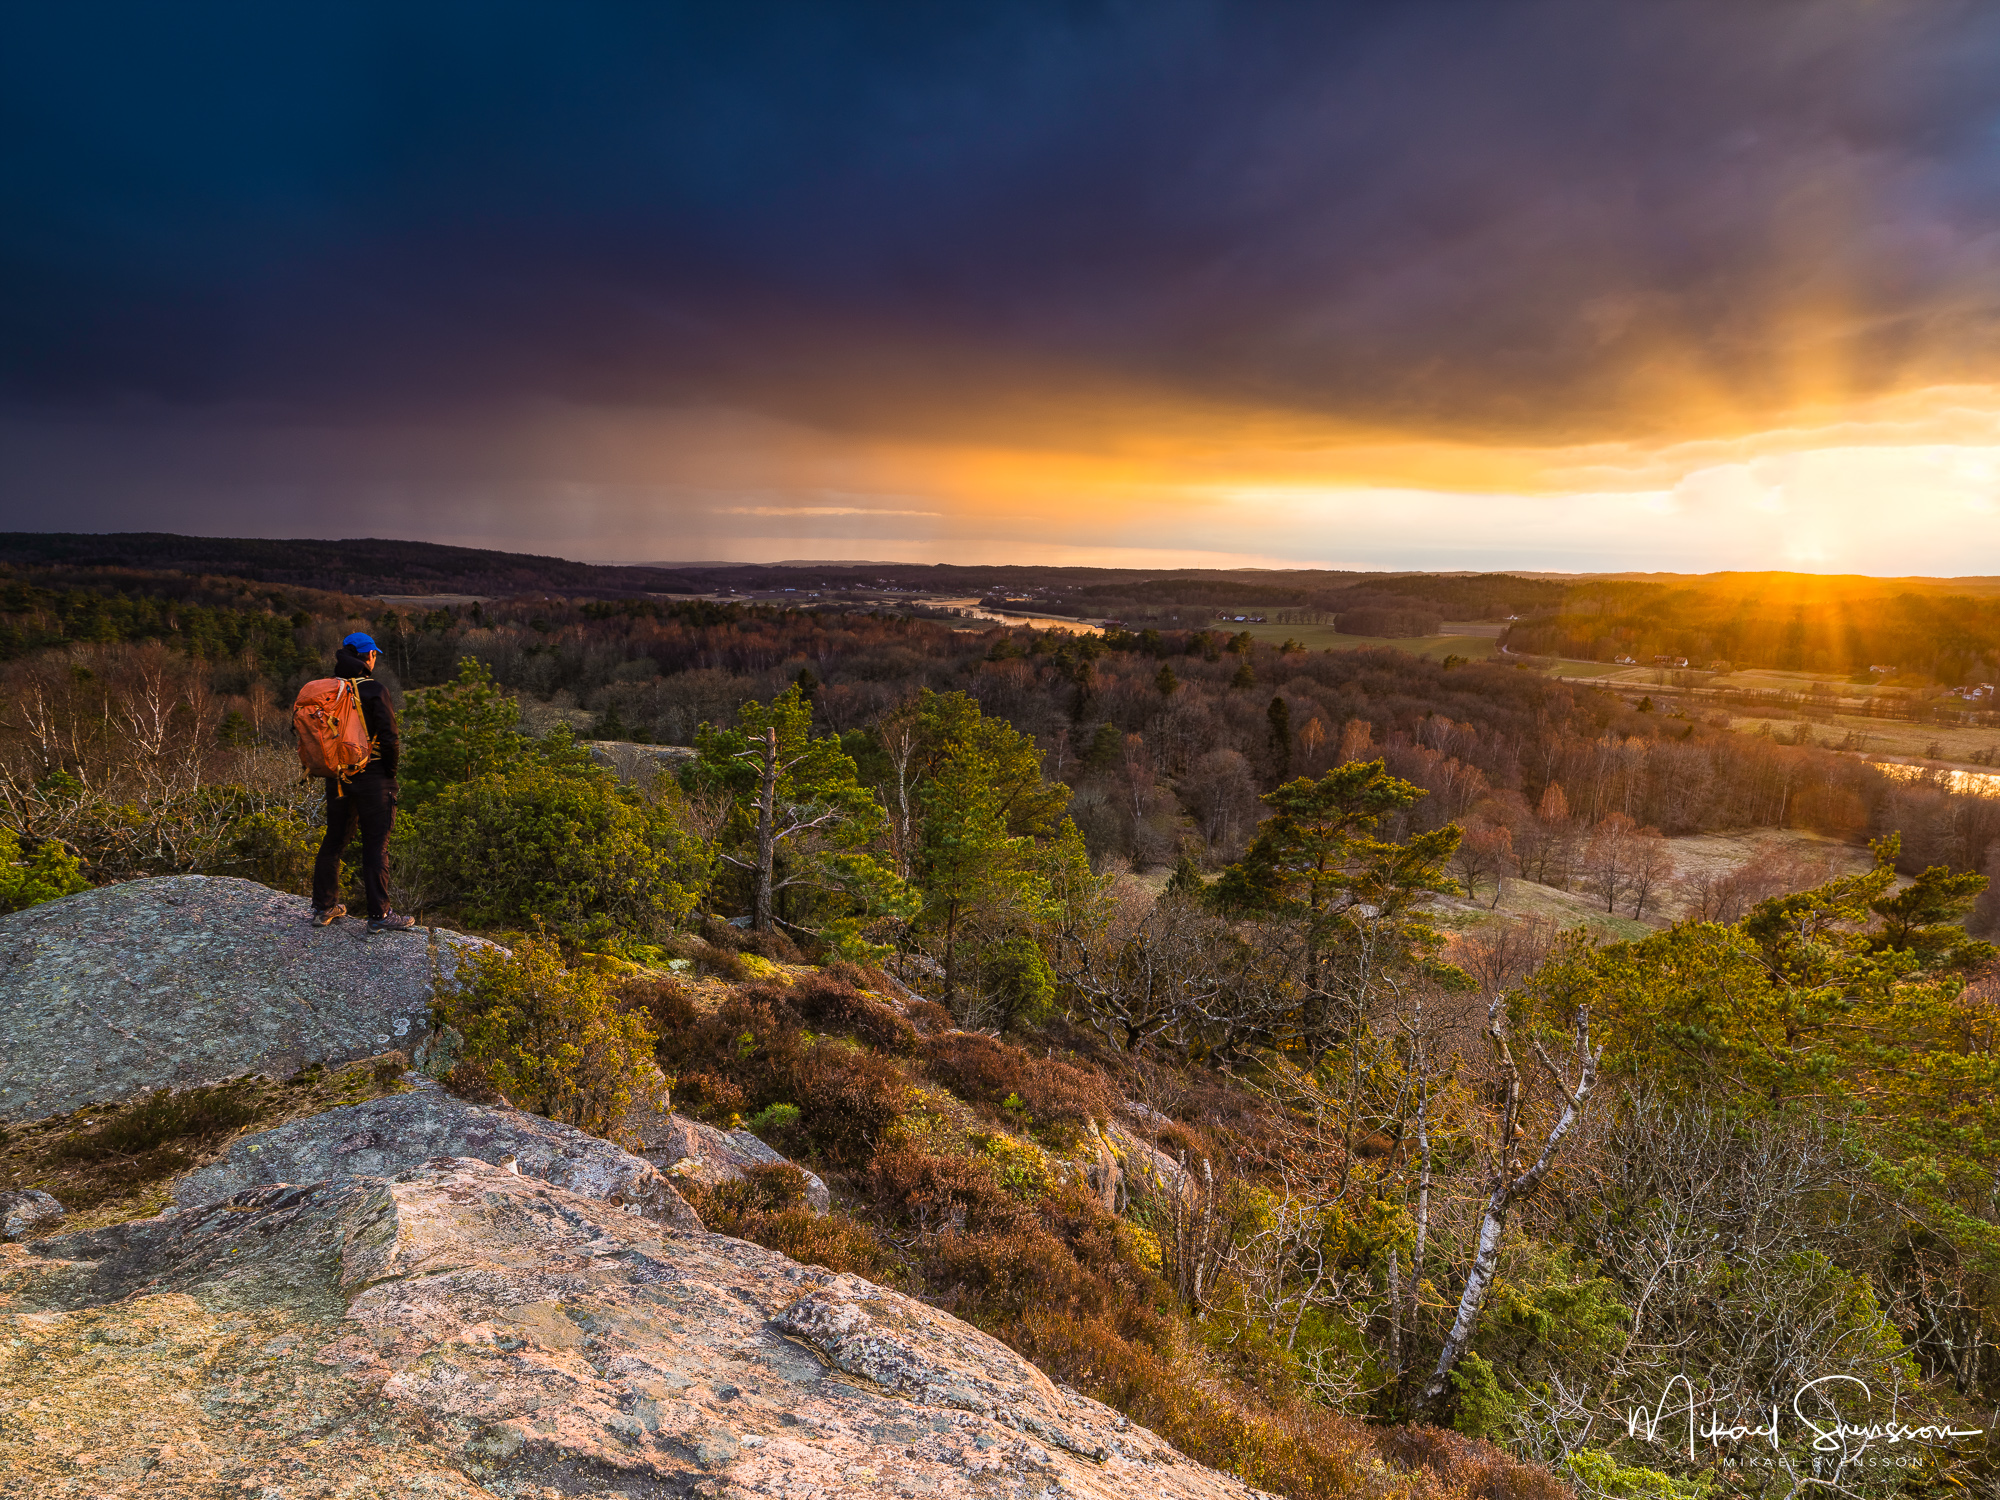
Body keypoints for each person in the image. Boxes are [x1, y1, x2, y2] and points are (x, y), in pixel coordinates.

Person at [310, 633, 417, 932]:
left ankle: (323, 907)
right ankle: (379, 915)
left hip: (339, 777)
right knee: (375, 845)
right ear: (368, 656)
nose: (374, 659)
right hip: (374, 778)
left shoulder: (330, 691)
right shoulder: (374, 690)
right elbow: (390, 737)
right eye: (374, 655)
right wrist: (390, 773)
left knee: (334, 840)